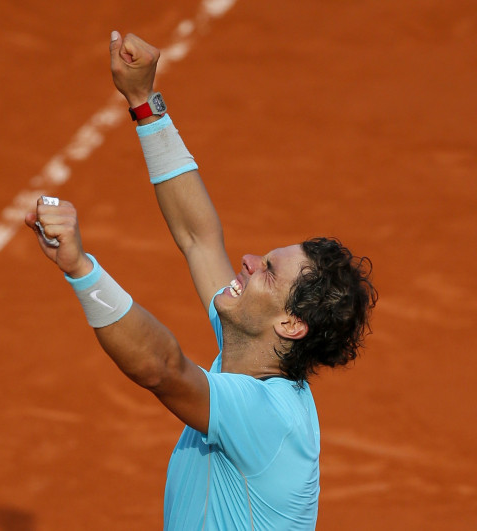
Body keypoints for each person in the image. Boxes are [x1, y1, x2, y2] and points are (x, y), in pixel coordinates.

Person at [24, 31, 377, 530]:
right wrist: (145, 103)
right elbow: (198, 238)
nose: (250, 260)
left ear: (291, 324)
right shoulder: (249, 348)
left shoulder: (266, 415)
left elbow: (162, 370)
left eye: (268, 272)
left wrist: (82, 270)